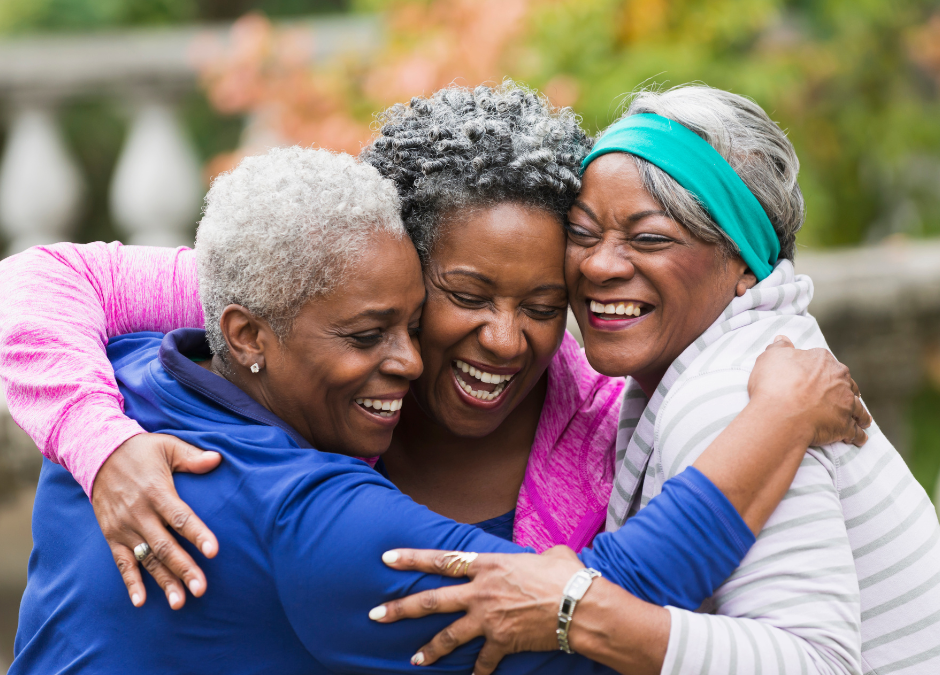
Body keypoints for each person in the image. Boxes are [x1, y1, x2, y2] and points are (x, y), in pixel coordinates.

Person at [0, 83, 865, 612]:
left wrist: (782, 407)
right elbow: (36, 281)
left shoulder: (609, 409)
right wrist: (102, 446)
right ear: (404, 266)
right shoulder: (310, 310)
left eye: (543, 302)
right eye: (464, 294)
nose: (505, 338)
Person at [367, 86, 940, 675]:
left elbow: (817, 663)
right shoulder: (737, 376)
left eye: (649, 239)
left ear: (745, 262)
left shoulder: (733, 397)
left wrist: (571, 612)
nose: (599, 264)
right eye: (584, 234)